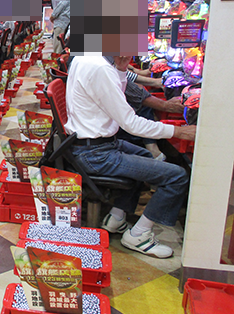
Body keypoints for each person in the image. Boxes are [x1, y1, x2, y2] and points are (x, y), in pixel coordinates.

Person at [65, 55, 196, 259]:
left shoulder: (87, 57)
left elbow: (119, 97)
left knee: (144, 154)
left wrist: (121, 68)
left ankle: (116, 218)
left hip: (92, 144)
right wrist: (178, 132)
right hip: (96, 154)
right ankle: (138, 235)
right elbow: (131, 123)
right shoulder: (101, 68)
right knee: (177, 176)